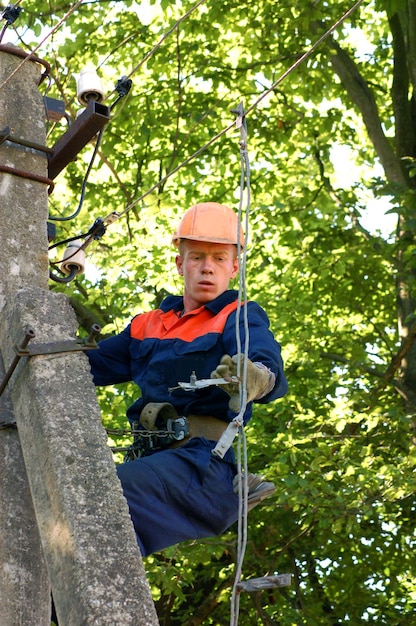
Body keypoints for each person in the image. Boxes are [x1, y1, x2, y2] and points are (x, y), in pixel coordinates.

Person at [87, 201, 288, 556]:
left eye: (219, 259)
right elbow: (84, 366)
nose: (207, 268)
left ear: (234, 267)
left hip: (202, 468)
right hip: (152, 465)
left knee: (106, 496)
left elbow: (265, 361)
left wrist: (255, 377)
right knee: (79, 522)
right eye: (197, 257)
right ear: (180, 263)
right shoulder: (148, 325)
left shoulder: (237, 316)